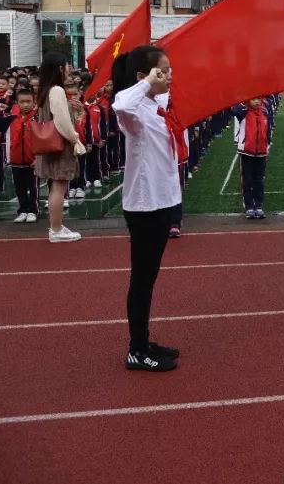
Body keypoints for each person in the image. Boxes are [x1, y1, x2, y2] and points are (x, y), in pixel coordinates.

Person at [111, 45, 182, 373]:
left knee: (148, 279)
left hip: (163, 201)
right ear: (143, 77)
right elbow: (121, 102)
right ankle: (137, 350)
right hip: (145, 206)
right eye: (161, 71)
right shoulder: (134, 113)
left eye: (168, 70)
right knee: (141, 280)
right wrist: (146, 81)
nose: (168, 76)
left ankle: (143, 340)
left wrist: (157, 83)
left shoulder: (155, 106)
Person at [35, 53, 85, 243]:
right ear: (59, 69)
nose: (69, 69)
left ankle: (56, 226)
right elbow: (61, 121)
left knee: (55, 186)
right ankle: (55, 230)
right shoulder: (56, 90)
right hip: (59, 144)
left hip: (50, 144)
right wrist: (74, 140)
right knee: (59, 186)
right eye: (67, 66)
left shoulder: (47, 89)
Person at [0, 89, 39, 222]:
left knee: (33, 187)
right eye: (22, 102)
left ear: (34, 102)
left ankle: (33, 210)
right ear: (17, 103)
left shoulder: (38, 118)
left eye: (28, 101)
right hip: (16, 160)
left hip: (33, 161)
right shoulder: (11, 119)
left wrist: (39, 158)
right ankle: (22, 210)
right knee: (19, 188)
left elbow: (42, 140)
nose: (25, 105)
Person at [233, 96, 272, 219]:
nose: (256, 101)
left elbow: (268, 131)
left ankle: (259, 205)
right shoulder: (242, 111)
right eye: (253, 99)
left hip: (261, 152)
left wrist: (268, 145)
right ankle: (249, 206)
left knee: (259, 180)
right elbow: (231, 109)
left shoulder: (265, 111)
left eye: (258, 99)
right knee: (247, 180)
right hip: (247, 152)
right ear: (248, 100)